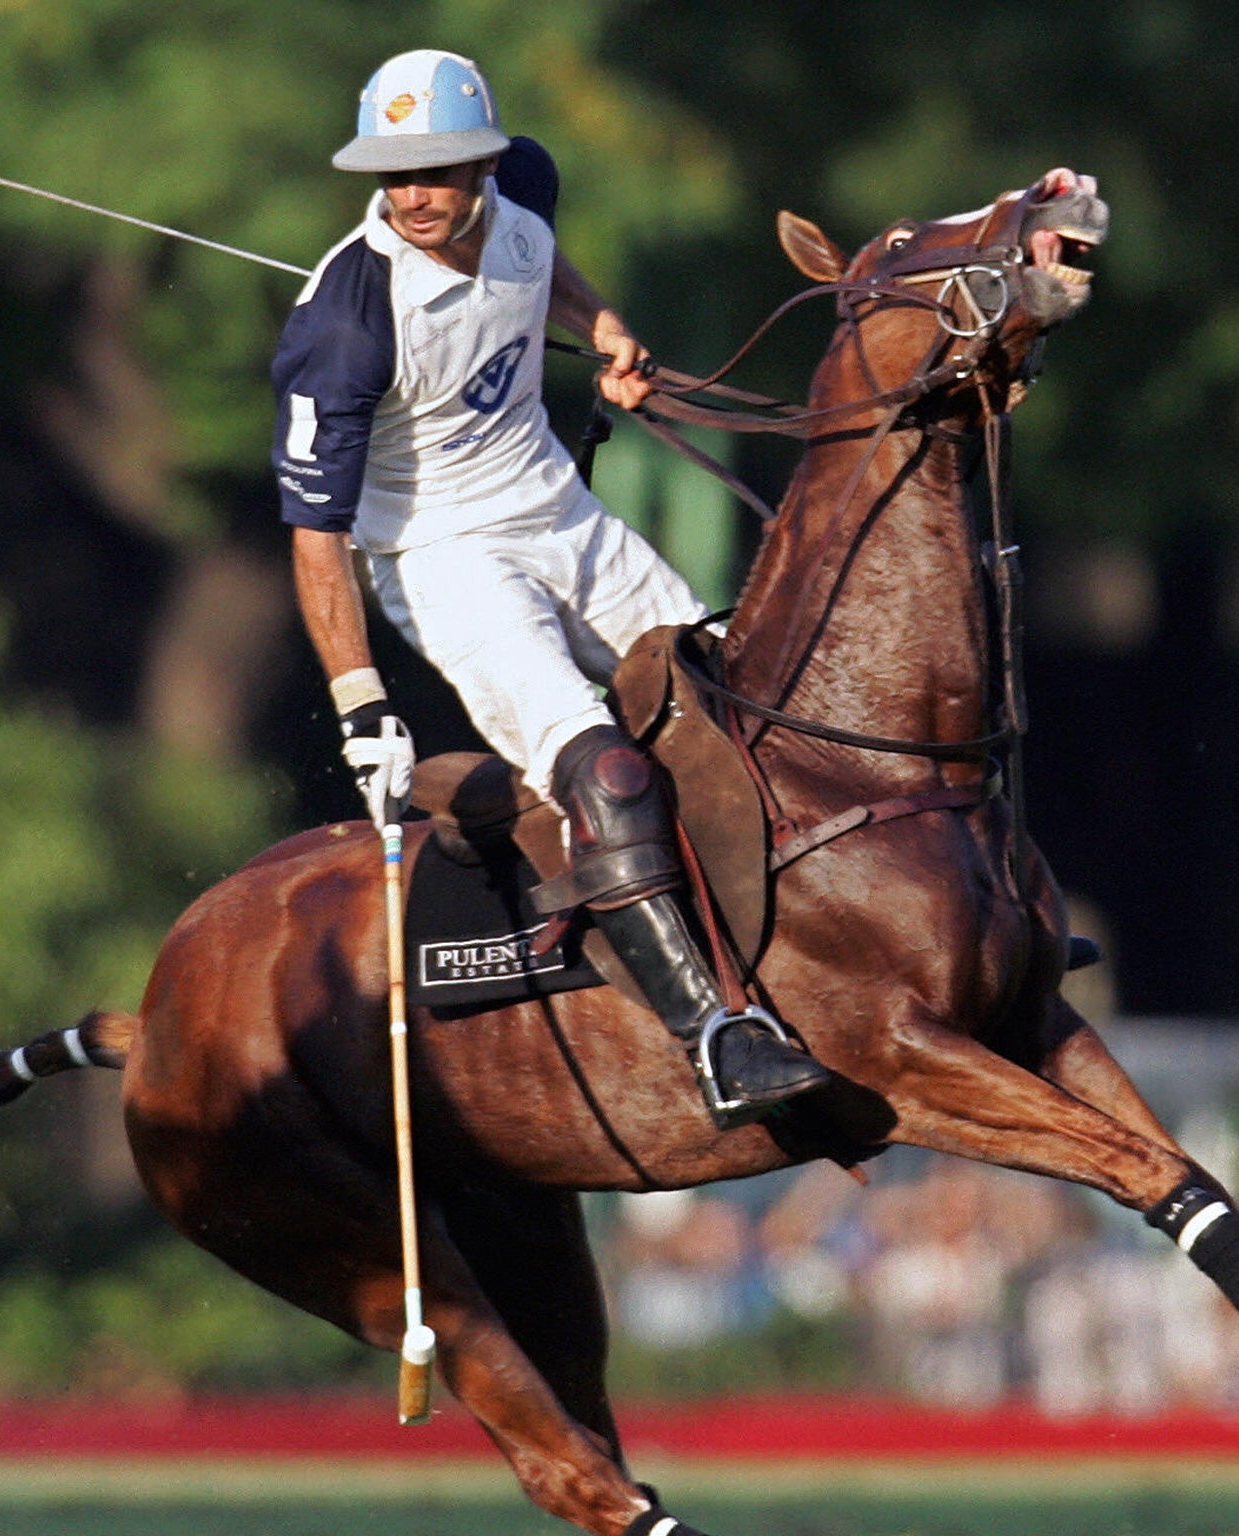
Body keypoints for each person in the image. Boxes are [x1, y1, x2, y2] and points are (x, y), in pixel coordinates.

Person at [271, 48, 830, 1129]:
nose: (412, 194)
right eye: (391, 175)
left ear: (485, 158)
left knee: (736, 691)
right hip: (441, 559)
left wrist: (602, 329)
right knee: (606, 771)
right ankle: (715, 1038)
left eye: (435, 169)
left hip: (561, 516)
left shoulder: (523, 182)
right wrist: (359, 701)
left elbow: (542, 262)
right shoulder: (345, 324)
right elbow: (313, 535)